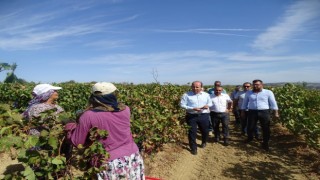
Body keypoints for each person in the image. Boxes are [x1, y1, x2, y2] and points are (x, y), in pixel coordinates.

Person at [64, 82, 145, 179]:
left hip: (110, 162)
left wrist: (70, 127)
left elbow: (77, 142)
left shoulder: (88, 116)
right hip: (133, 156)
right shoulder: (125, 109)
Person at [241, 79, 279, 151]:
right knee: (250, 127)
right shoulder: (249, 93)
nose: (255, 86)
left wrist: (276, 112)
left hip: (264, 112)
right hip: (252, 112)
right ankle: (250, 138)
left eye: (257, 84)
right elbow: (245, 102)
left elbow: (273, 103)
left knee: (265, 128)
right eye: (254, 84)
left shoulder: (268, 92)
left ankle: (265, 143)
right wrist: (242, 111)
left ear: (262, 85)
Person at [180, 81, 212, 155]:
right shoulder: (186, 95)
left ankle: (204, 142)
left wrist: (207, 105)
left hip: (203, 115)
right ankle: (193, 148)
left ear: (201, 87)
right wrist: (192, 108)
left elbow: (210, 103)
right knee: (192, 132)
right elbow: (182, 105)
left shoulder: (206, 95)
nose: (195, 88)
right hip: (191, 116)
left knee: (205, 131)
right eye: (193, 87)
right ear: (191, 87)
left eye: (197, 87)